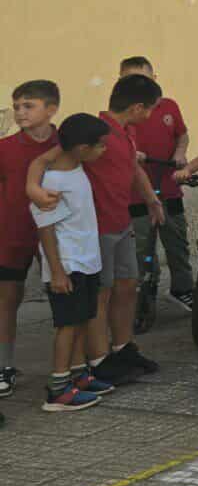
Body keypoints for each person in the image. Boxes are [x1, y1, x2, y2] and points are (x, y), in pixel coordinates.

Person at [30, 71, 165, 385]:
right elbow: (43, 160)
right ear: (137, 108)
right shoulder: (95, 133)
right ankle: (99, 359)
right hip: (97, 229)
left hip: (121, 223)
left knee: (127, 285)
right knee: (100, 296)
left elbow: (133, 168)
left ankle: (122, 347)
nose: (151, 115)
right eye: (151, 109)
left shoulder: (125, 133)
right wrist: (32, 188)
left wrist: (151, 200)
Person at [30, 113, 117, 413]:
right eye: (100, 145)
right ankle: (57, 390)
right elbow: (45, 228)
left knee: (82, 320)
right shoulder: (53, 182)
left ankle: (78, 375)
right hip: (68, 265)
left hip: (86, 261)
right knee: (67, 325)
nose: (104, 150)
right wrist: (57, 271)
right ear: (82, 148)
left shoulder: (76, 168)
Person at [120, 57, 196, 313]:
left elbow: (182, 135)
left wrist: (180, 153)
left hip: (168, 183)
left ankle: (182, 289)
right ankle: (145, 290)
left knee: (176, 240)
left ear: (154, 79)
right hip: (136, 192)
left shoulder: (169, 106)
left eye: (142, 79)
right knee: (141, 244)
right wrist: (131, 152)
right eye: (129, 80)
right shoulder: (123, 112)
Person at [0, 80, 60, 398]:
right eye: (17, 106)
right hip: (12, 234)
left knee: (63, 297)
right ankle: (3, 366)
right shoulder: (5, 148)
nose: (20, 112)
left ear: (51, 109)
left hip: (57, 234)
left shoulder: (68, 144)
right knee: (7, 299)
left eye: (28, 105)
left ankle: (70, 364)